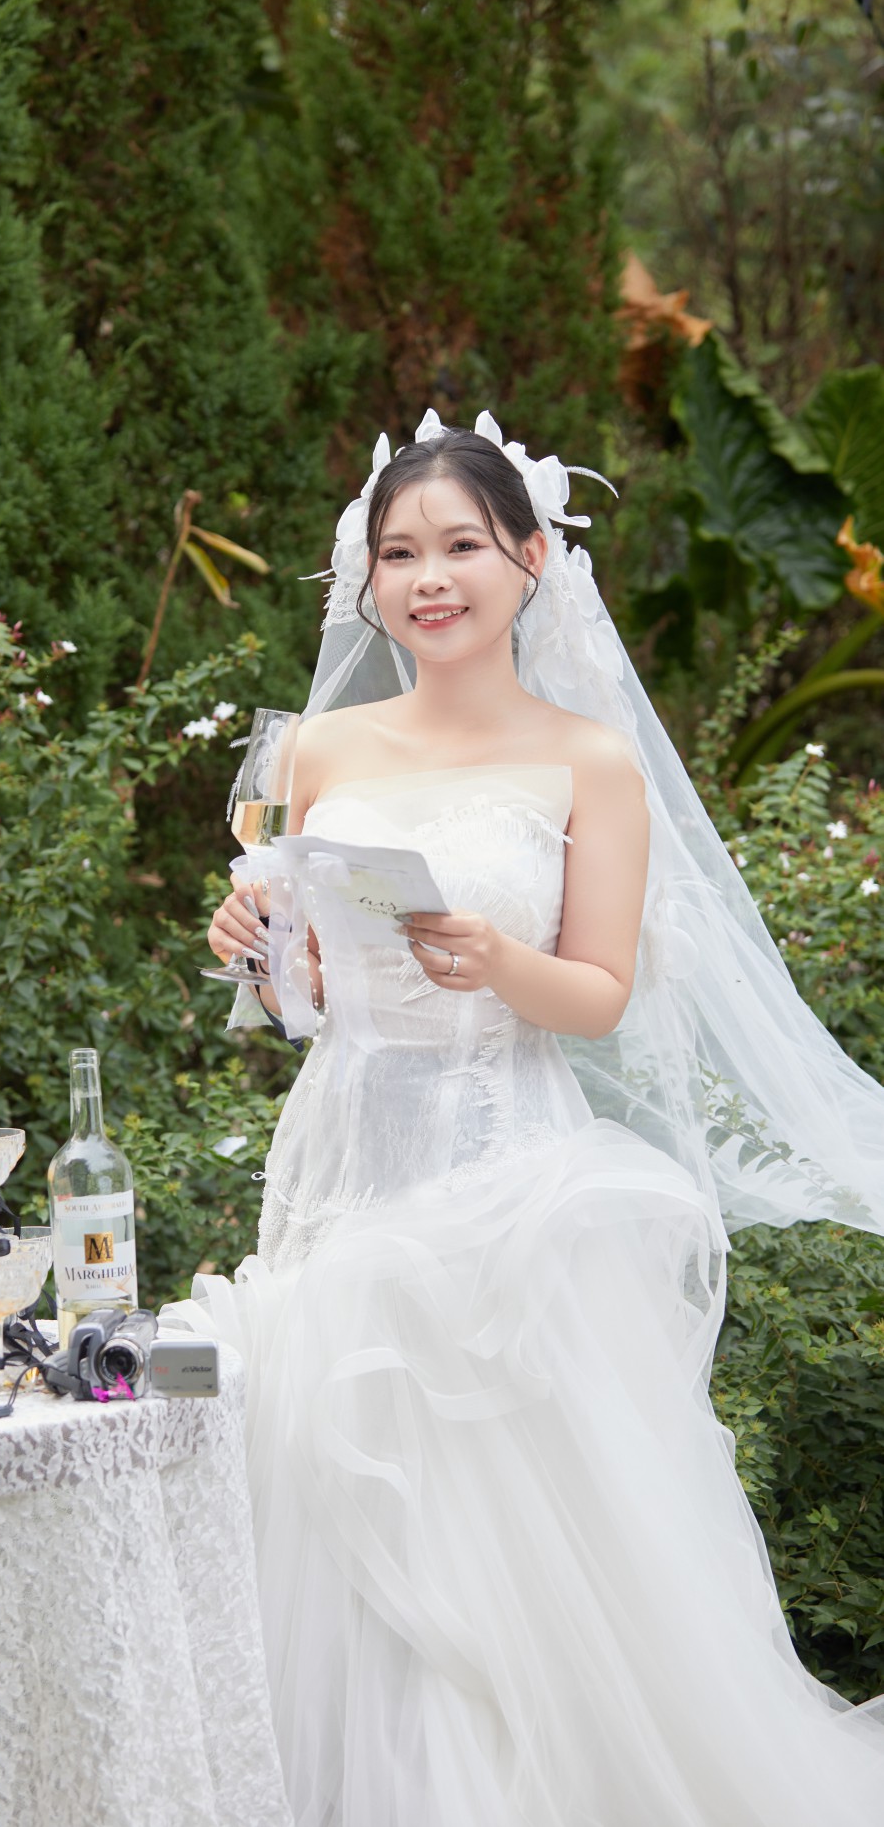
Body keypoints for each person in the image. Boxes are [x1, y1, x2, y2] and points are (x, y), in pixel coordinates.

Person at [176, 409, 884, 1827]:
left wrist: (499, 959)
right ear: (366, 577)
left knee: (518, 1524)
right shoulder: (318, 750)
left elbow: (602, 997)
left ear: (531, 557)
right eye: (398, 554)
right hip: (345, 1165)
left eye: (460, 547)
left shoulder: (588, 760)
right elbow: (304, 995)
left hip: (511, 1182)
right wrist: (253, 944)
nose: (428, 579)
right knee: (338, 1480)